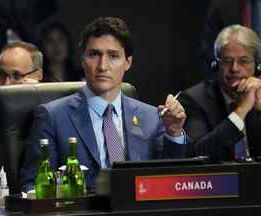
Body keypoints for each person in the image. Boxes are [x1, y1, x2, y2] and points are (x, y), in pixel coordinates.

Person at [20, 17, 188, 193]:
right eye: (94, 54)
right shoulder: (52, 117)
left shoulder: (152, 117)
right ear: (82, 59)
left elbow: (170, 182)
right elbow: (32, 186)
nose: (102, 66)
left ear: (128, 63)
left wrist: (174, 133)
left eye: (113, 56)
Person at [180, 25, 261, 162]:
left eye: (243, 61)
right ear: (216, 65)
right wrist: (241, 110)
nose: (235, 68)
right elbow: (198, 154)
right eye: (228, 61)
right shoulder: (194, 100)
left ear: (257, 66)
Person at [0, 41, 43, 172]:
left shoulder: (54, 106)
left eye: (16, 75)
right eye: (1, 74)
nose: (6, 83)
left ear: (37, 75)